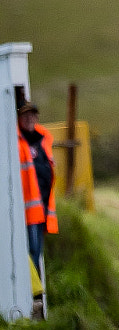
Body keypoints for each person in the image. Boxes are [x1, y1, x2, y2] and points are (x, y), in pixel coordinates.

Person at [16, 100, 57, 318]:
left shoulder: (42, 140)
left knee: (36, 254)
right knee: (31, 255)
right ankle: (33, 299)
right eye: (25, 116)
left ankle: (37, 299)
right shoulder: (17, 140)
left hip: (40, 210)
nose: (29, 119)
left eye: (33, 115)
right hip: (26, 212)